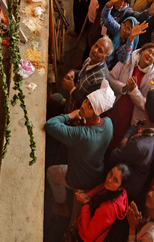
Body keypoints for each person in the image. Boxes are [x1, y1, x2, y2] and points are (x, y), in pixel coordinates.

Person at [45, 80, 116, 218]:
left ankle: (60, 203)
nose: (83, 106)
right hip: (95, 174)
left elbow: (50, 125)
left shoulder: (81, 135)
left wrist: (71, 115)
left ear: (97, 112)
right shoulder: (108, 124)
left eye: (90, 106)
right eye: (86, 101)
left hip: (77, 179)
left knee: (50, 172)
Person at [108, 89, 154, 200]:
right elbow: (137, 125)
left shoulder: (138, 145)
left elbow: (114, 157)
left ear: (145, 109)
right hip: (140, 175)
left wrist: (122, 143)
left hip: (129, 182)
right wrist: (126, 137)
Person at [76, 164, 131, 242]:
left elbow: (88, 233)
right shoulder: (118, 191)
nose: (109, 180)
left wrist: (85, 204)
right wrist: (88, 196)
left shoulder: (108, 209)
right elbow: (100, 188)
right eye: (111, 173)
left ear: (121, 187)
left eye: (115, 180)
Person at [62, 36, 114, 113]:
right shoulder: (90, 60)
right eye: (96, 45)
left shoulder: (100, 80)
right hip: (72, 107)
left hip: (78, 118)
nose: (95, 50)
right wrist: (73, 72)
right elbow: (82, 75)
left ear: (105, 58)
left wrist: (72, 89)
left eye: (100, 51)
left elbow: (89, 107)